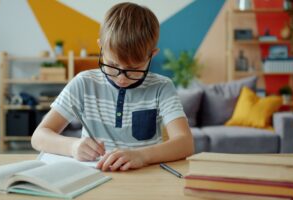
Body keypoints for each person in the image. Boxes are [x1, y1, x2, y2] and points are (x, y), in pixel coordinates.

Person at [31, 2, 194, 171]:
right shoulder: (84, 83)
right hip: (92, 178)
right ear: (101, 47)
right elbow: (39, 136)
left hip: (145, 179)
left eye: (134, 68)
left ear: (152, 55)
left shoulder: (162, 87)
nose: (121, 78)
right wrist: (72, 146)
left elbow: (185, 143)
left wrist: (141, 156)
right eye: (112, 65)